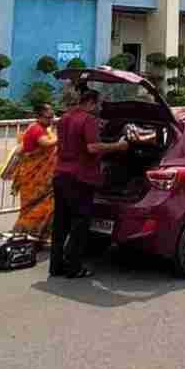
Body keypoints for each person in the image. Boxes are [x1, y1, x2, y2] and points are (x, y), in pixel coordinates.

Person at [50, 87, 130, 279]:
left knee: (60, 223)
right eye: (98, 104)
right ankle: (74, 267)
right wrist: (118, 146)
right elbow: (92, 147)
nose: (99, 108)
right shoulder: (88, 120)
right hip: (80, 178)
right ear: (91, 103)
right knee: (80, 223)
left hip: (60, 174)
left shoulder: (65, 118)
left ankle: (56, 266)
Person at [10, 102, 59, 238]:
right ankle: (24, 232)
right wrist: (61, 138)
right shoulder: (36, 129)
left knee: (48, 204)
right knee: (32, 206)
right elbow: (46, 143)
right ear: (39, 117)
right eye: (48, 117)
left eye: (52, 117)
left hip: (43, 177)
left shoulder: (45, 129)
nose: (51, 120)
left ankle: (39, 233)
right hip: (34, 177)